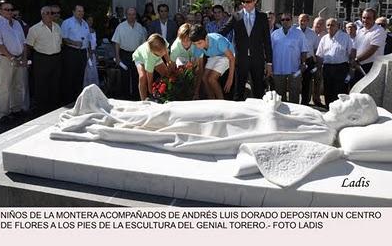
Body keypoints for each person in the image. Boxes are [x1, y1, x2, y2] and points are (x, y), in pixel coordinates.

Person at [51, 84, 379, 156]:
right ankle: (115, 110)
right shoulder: (319, 115)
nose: (339, 98)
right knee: (172, 108)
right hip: (238, 111)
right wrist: (273, 103)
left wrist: (270, 109)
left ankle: (107, 115)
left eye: (348, 101)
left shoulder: (323, 134)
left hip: (231, 124)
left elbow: (270, 140)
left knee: (171, 116)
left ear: (352, 117)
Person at [219, 0, 272, 101]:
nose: (245, 4)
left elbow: (267, 41)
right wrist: (207, 38)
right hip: (241, 59)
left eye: (248, 1)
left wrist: (269, 63)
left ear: (255, 1)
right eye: (243, 1)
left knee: (258, 91)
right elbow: (222, 32)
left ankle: (259, 116)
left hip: (257, 59)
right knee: (238, 91)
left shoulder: (262, 17)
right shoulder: (236, 16)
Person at [0, 0, 27, 123]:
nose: (10, 12)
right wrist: (11, 57)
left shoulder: (17, 23)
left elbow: (23, 42)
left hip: (19, 58)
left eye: (11, 9)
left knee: (18, 85)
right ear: (0, 11)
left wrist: (23, 58)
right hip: (5, 58)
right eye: (6, 9)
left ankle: (16, 109)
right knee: (5, 87)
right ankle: (3, 114)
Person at [26, 6, 62, 115]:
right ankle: (41, 110)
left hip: (56, 58)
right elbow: (28, 46)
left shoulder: (57, 27)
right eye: (48, 13)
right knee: (41, 85)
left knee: (55, 83)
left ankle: (53, 108)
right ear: (42, 14)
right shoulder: (34, 29)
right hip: (41, 59)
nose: (51, 15)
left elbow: (60, 42)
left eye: (52, 13)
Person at [316, 18, 355, 108]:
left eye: (332, 25)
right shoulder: (324, 38)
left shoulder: (345, 37)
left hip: (341, 68)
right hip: (327, 68)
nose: (330, 27)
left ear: (338, 26)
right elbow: (319, 55)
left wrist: (351, 69)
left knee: (340, 91)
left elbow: (351, 53)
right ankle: (329, 110)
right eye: (328, 25)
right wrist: (319, 69)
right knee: (328, 90)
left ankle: (341, 111)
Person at [189, 24, 235, 100]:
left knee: (211, 79)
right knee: (204, 78)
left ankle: (221, 101)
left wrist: (230, 79)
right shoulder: (197, 44)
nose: (198, 46)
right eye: (195, 44)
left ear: (206, 37)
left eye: (199, 43)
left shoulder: (218, 41)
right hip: (213, 55)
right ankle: (212, 99)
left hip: (226, 56)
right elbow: (196, 63)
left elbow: (231, 58)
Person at [271, 12, 308, 104]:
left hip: (294, 69)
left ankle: (294, 116)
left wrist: (303, 63)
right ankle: (281, 115)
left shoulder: (299, 34)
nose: (285, 21)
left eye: (287, 19)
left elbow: (304, 50)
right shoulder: (275, 34)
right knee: (279, 95)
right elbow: (269, 51)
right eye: (283, 20)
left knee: (294, 93)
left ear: (291, 21)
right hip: (278, 68)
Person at [112, 7, 146, 100]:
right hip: (124, 54)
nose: (131, 16)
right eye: (129, 14)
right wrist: (117, 57)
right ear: (126, 15)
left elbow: (143, 44)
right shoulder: (120, 27)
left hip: (136, 55)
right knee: (125, 77)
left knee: (137, 76)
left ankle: (136, 97)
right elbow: (116, 43)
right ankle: (125, 97)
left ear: (136, 15)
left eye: (133, 14)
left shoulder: (140, 27)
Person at [60, 4, 90, 105]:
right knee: (70, 77)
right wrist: (74, 42)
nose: (81, 13)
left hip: (82, 53)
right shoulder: (67, 23)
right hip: (71, 53)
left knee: (80, 77)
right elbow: (63, 38)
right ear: (73, 12)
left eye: (82, 11)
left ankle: (77, 101)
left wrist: (88, 52)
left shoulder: (85, 23)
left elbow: (88, 40)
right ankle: (68, 102)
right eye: (78, 11)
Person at [351, 8, 387, 86]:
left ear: (374, 19)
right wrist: (353, 60)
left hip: (371, 67)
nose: (365, 20)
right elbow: (354, 48)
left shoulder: (379, 31)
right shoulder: (360, 31)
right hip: (358, 66)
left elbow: (372, 49)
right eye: (364, 18)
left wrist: (357, 60)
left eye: (368, 18)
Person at [132, 33, 171, 100]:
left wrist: (169, 63)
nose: (164, 52)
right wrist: (151, 92)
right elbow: (150, 78)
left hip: (156, 57)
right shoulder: (149, 58)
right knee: (142, 77)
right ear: (155, 52)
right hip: (140, 58)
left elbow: (166, 53)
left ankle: (166, 94)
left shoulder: (162, 41)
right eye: (162, 51)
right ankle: (143, 99)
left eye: (164, 49)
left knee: (166, 73)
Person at [170, 23, 203, 99]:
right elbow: (172, 67)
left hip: (194, 57)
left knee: (196, 71)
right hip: (181, 58)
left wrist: (196, 91)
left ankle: (196, 92)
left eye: (188, 40)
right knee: (180, 73)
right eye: (182, 40)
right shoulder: (175, 47)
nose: (185, 43)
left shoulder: (197, 44)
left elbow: (200, 68)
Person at [297, 14, 320, 105]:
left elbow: (315, 48)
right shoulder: (294, 32)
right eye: (301, 20)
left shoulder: (312, 33)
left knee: (307, 82)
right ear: (298, 20)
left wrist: (316, 61)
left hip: (308, 61)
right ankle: (294, 101)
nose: (302, 22)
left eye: (305, 20)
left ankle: (305, 102)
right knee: (295, 80)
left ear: (308, 22)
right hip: (296, 61)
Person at [312, 17, 327, 107]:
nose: (319, 25)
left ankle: (317, 99)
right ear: (313, 23)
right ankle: (305, 100)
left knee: (318, 81)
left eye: (321, 24)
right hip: (309, 61)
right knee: (308, 81)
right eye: (317, 23)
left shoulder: (326, 35)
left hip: (320, 63)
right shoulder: (309, 33)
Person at [83, 15, 99, 88]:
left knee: (93, 72)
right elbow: (87, 42)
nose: (90, 22)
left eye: (91, 20)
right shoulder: (84, 30)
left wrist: (95, 53)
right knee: (88, 72)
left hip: (93, 53)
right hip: (87, 53)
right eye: (89, 20)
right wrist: (89, 52)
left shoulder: (93, 30)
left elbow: (94, 43)